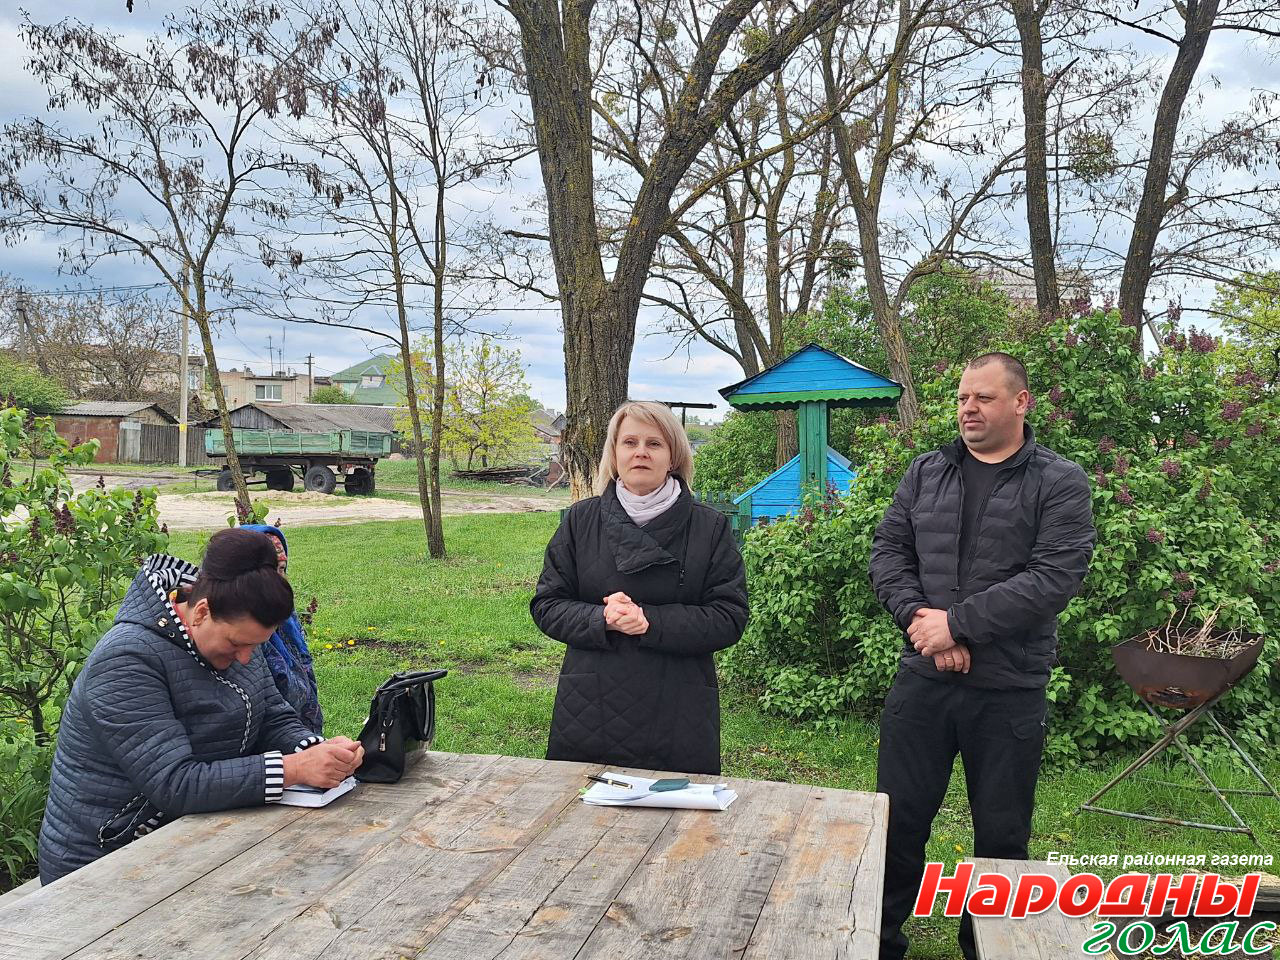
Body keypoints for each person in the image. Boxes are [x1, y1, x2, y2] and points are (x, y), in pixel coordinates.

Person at [869, 352, 1096, 960]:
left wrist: (957, 626)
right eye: (963, 398)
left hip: (1008, 688)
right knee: (896, 824)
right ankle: (879, 944)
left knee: (1001, 836)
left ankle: (991, 949)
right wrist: (923, 624)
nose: (968, 409)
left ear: (1021, 403)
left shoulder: (1060, 482)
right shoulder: (927, 472)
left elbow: (1053, 578)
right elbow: (888, 553)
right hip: (923, 679)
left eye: (983, 398)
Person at [38, 528, 364, 884]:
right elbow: (175, 783)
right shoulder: (125, 660)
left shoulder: (234, 631)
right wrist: (294, 769)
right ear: (202, 612)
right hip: (105, 860)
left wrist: (317, 750)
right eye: (236, 644)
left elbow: (273, 715)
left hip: (189, 837)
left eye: (255, 646)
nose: (246, 658)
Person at [531, 400, 748, 775]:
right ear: (614, 454)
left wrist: (650, 621)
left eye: (654, 443)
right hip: (590, 703)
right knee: (580, 807)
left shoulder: (709, 527)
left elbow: (729, 617)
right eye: (630, 442)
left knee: (674, 810)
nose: (641, 452)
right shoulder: (581, 521)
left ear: (673, 456)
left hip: (679, 707)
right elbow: (547, 605)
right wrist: (601, 618)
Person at [240, 524, 323, 735]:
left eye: (282, 569)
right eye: (271, 572)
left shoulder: (286, 620)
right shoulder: (240, 635)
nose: (280, 581)